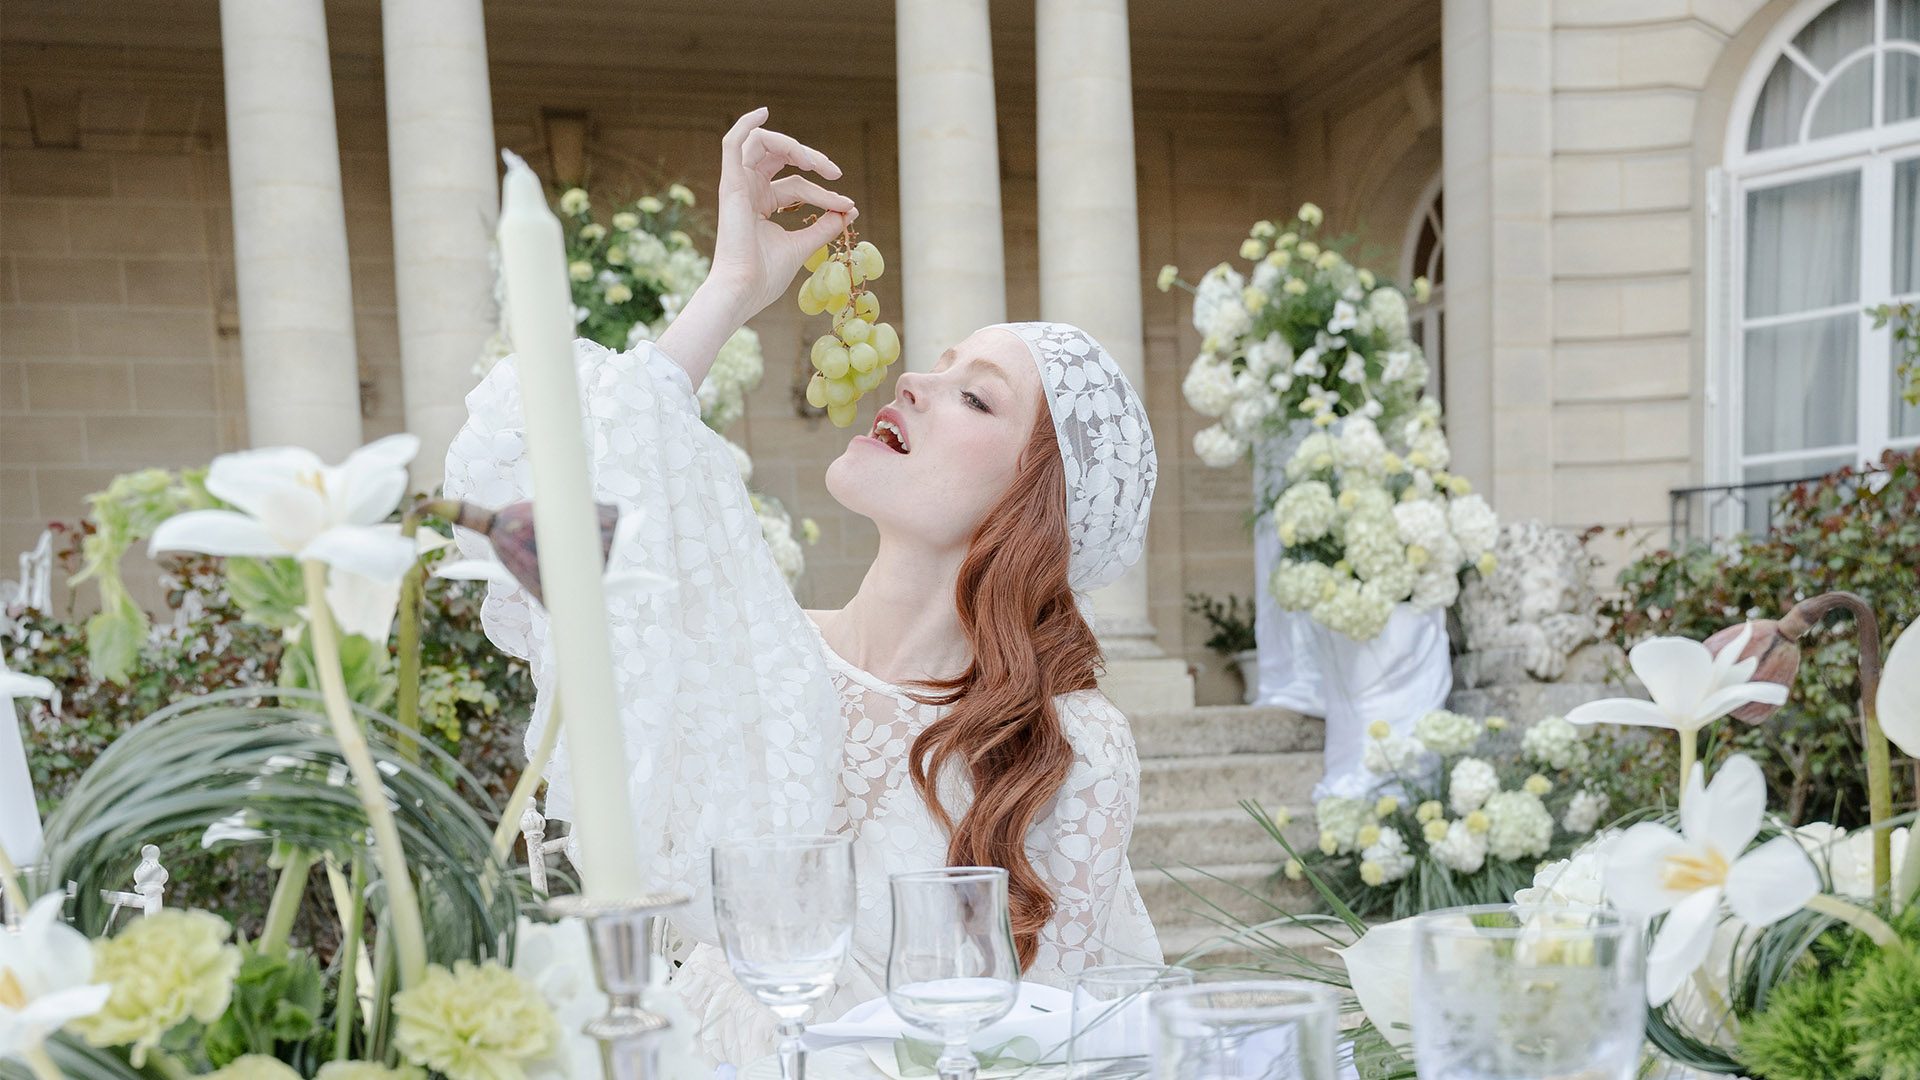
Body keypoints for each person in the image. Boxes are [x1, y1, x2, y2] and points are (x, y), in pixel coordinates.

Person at [443, 107, 1163, 1066]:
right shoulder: (750, 653)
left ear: (1037, 505)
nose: (911, 380)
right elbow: (531, 514)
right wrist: (729, 289)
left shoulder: (1071, 748)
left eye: (975, 394)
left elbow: (1053, 1047)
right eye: (937, 366)